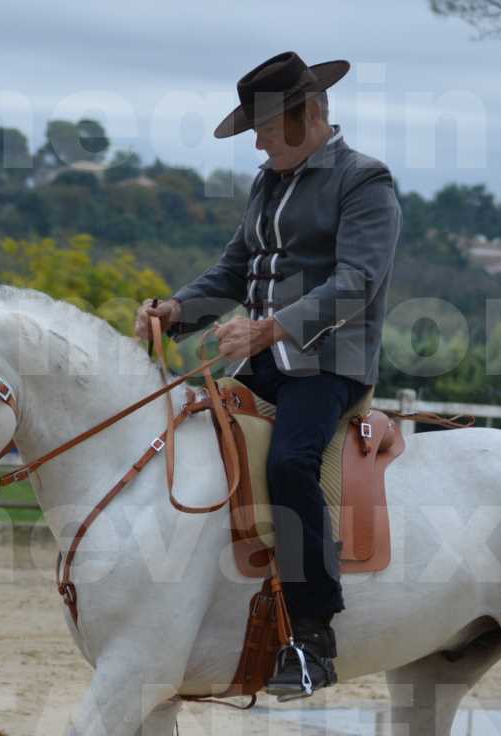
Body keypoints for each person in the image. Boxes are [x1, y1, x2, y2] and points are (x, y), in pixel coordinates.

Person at [136, 50, 402, 699]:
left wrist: (269, 328)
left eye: (262, 127)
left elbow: (358, 282)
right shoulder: (268, 182)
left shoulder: (365, 181)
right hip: (259, 362)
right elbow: (234, 271)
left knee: (289, 464)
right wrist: (175, 313)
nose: (254, 139)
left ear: (307, 116)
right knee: (187, 440)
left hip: (327, 365)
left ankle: (313, 636)